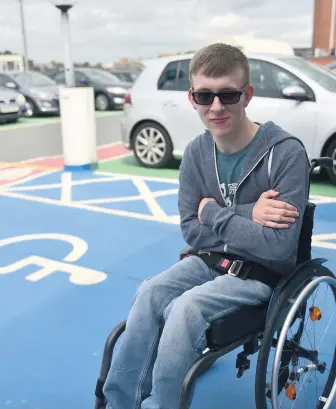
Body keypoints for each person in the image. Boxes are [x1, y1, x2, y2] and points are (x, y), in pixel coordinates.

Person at [102, 43, 310, 409]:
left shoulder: (286, 153)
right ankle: (118, 403)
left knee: (186, 309)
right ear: (192, 98)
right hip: (209, 259)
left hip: (262, 274)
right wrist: (249, 215)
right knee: (150, 292)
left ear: (247, 95)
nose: (216, 107)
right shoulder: (197, 153)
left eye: (228, 94)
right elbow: (190, 229)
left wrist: (212, 212)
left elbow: (277, 247)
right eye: (204, 95)